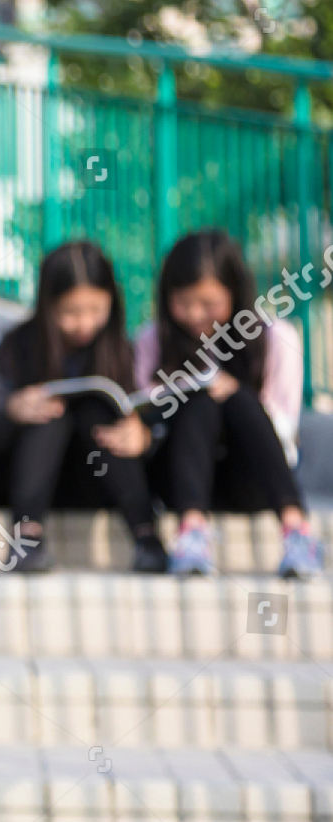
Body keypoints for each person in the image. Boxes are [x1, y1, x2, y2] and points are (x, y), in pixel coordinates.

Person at [137, 229, 323, 578]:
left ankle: (297, 531)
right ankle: (191, 531)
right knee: (198, 400)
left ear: (235, 292)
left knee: (235, 397)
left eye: (208, 304)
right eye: (183, 302)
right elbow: (142, 408)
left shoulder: (274, 338)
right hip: (179, 478)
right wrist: (192, 388)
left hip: (251, 479)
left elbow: (283, 427)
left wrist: (233, 394)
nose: (194, 314)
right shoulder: (152, 339)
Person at [0, 241, 167, 573]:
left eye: (96, 310)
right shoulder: (17, 347)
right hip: (33, 481)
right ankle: (26, 536)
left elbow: (150, 412)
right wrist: (12, 408)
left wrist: (142, 435)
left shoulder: (122, 350)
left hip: (99, 475)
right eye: (71, 312)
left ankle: (145, 535)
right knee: (49, 413)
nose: (84, 323)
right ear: (47, 305)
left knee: (98, 411)